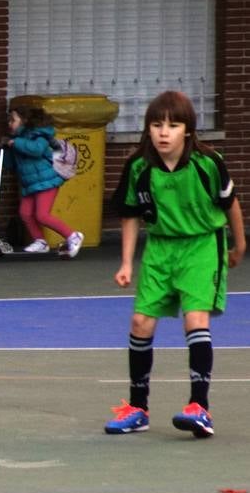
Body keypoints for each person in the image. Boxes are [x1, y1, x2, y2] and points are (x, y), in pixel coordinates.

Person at [104, 90, 245, 437]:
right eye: (156, 125)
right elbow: (130, 215)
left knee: (195, 318)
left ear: (188, 130)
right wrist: (126, 262)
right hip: (160, 249)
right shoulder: (139, 167)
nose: (164, 132)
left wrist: (239, 244)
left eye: (173, 125)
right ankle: (138, 409)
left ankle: (200, 408)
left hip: (201, 245)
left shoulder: (207, 163)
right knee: (140, 322)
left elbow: (230, 204)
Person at [4, 103, 84, 258]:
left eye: (13, 120)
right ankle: (40, 241)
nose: (10, 124)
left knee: (42, 215)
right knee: (25, 213)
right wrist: (3, 151)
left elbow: (37, 150)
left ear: (24, 120)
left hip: (46, 180)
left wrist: (16, 143)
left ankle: (73, 236)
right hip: (30, 183)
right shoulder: (16, 139)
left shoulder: (38, 135)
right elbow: (11, 164)